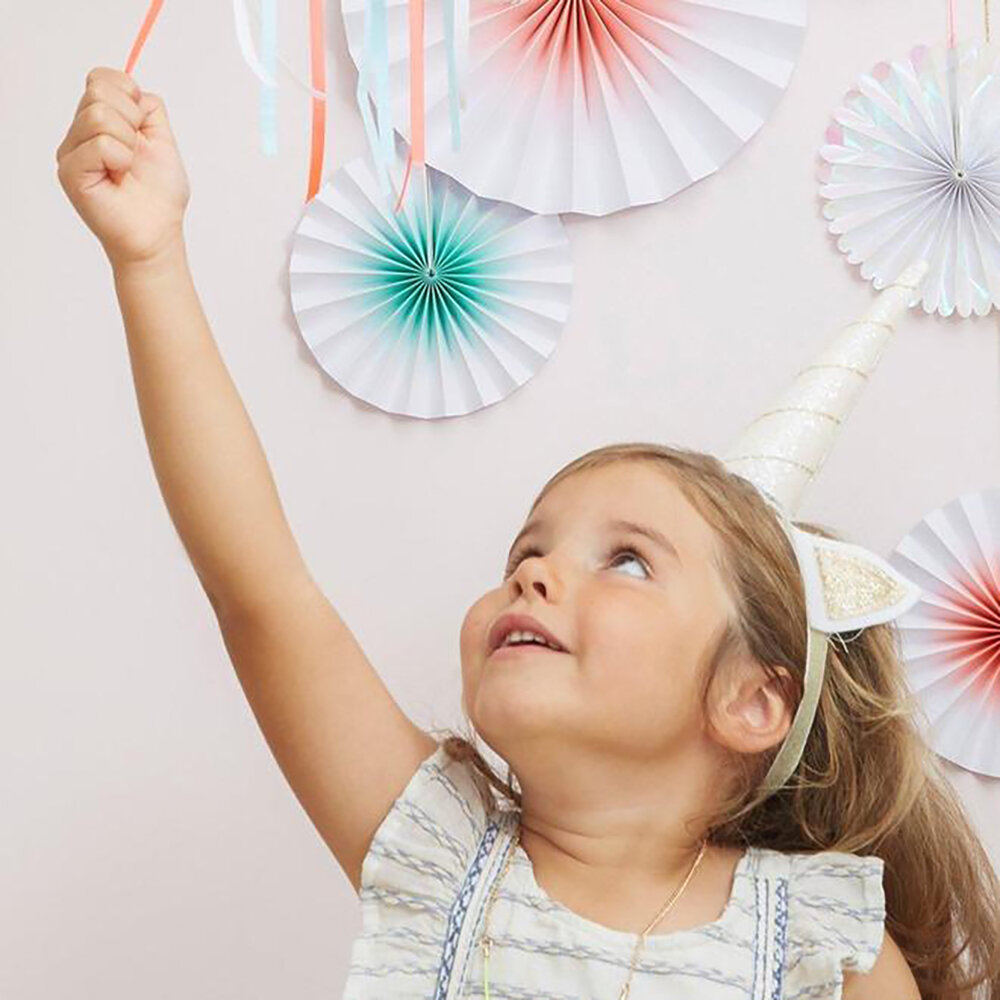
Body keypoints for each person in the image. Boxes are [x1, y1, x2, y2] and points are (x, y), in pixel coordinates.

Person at [56, 67, 1000, 1000]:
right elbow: (260, 589)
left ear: (752, 701)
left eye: (627, 560)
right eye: (525, 552)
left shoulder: (823, 946)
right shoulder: (441, 856)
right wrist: (151, 259)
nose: (536, 573)